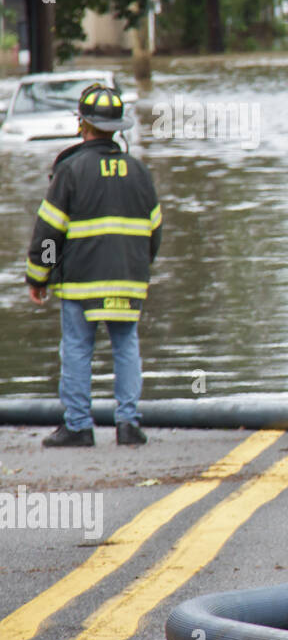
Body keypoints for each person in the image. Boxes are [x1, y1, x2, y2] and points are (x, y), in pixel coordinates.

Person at [25, 83, 161, 447]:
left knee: (77, 349)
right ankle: (129, 424)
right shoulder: (139, 172)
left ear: (81, 124)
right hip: (128, 282)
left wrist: (41, 275)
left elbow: (50, 233)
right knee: (126, 345)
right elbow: (154, 231)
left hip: (82, 285)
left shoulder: (69, 171)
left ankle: (78, 426)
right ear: (118, 127)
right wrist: (138, 267)